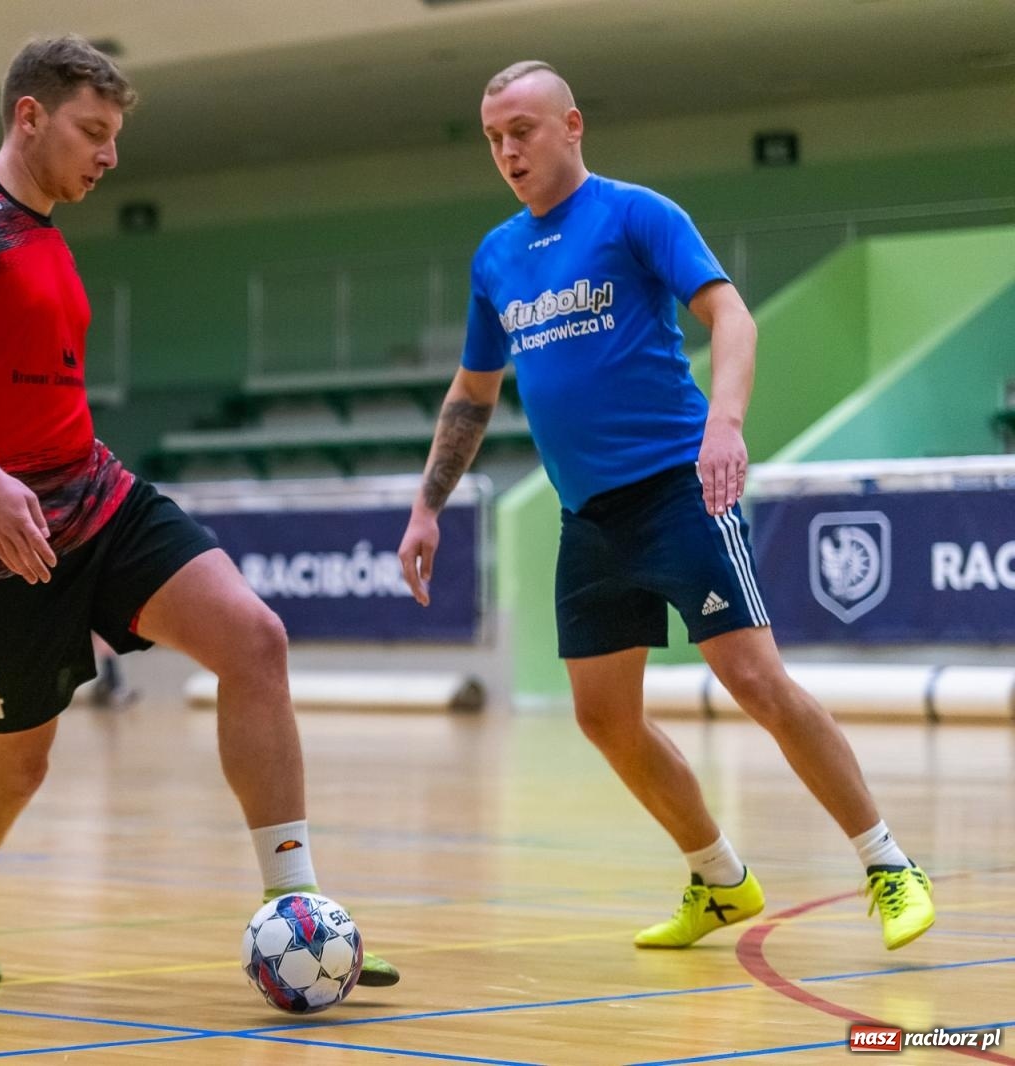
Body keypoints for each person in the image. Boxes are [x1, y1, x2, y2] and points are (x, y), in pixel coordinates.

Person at [0, 34, 399, 986]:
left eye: (115, 136)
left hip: (93, 496)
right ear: (28, 117)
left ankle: (300, 912)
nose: (109, 156)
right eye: (93, 132)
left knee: (255, 640)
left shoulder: (45, 234)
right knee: (16, 771)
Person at [398, 61, 933, 952]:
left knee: (754, 680)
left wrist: (724, 424)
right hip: (589, 518)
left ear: (572, 126)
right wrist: (427, 507)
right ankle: (719, 878)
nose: (507, 151)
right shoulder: (495, 257)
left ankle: (888, 863)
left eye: (522, 130)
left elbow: (733, 319)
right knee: (603, 716)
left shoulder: (637, 212)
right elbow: (473, 392)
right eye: (494, 137)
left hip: (683, 489)